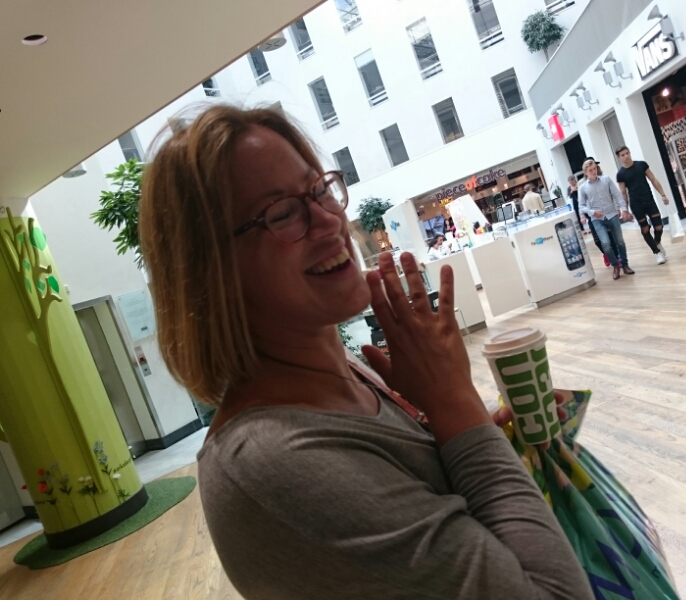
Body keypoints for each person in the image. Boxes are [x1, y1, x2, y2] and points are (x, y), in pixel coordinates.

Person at [138, 104, 592, 600]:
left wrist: (475, 435)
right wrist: (454, 403)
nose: (329, 220)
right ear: (210, 269)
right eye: (282, 213)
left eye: (319, 190)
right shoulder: (272, 463)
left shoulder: (353, 376)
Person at [578, 158, 634, 280]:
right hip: (597, 219)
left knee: (620, 241)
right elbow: (581, 206)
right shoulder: (582, 188)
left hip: (611, 214)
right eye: (590, 170)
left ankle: (625, 265)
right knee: (605, 243)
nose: (594, 171)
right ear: (586, 172)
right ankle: (615, 265)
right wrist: (592, 212)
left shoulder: (606, 179)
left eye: (594, 169)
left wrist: (623, 209)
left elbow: (617, 195)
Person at [615, 146, 669, 265]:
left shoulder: (641, 165)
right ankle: (657, 252)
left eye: (627, 153)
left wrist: (663, 195)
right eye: (623, 155)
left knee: (659, 227)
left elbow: (653, 180)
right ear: (619, 158)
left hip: (649, 200)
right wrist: (625, 210)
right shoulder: (620, 174)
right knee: (645, 229)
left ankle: (656, 242)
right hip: (636, 204)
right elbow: (623, 193)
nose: (626, 156)